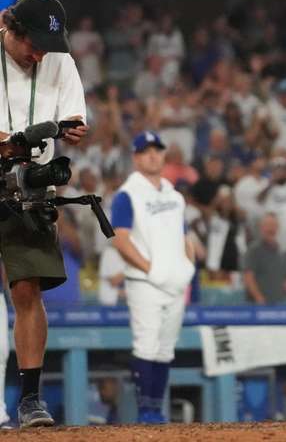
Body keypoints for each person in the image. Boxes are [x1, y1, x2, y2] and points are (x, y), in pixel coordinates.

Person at [0, 0, 89, 428]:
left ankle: (30, 401)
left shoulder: (58, 59)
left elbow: (73, 118)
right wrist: (14, 140)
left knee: (27, 290)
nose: (39, 54)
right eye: (31, 44)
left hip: (30, 187)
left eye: (46, 46)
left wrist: (68, 130)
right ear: (10, 30)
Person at [110, 131, 195, 424]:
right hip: (145, 283)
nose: (152, 155)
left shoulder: (173, 194)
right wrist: (151, 269)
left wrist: (188, 266)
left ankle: (156, 409)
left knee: (165, 348)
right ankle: (146, 412)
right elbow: (120, 240)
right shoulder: (127, 194)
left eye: (157, 150)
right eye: (145, 151)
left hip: (174, 283)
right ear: (135, 157)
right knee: (146, 344)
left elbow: (184, 235)